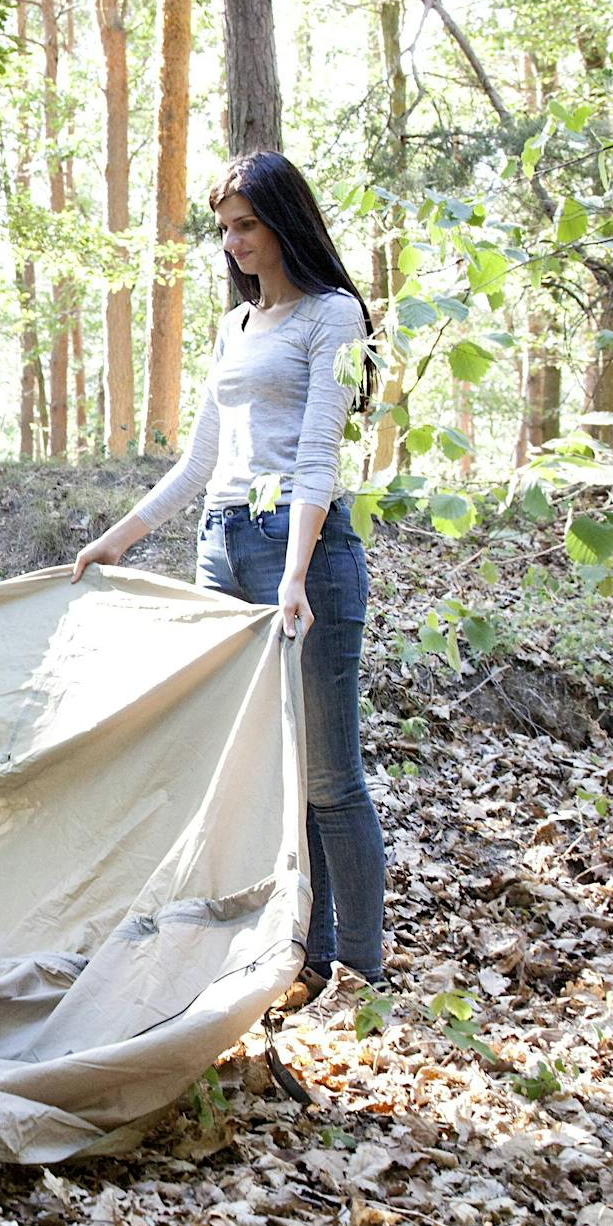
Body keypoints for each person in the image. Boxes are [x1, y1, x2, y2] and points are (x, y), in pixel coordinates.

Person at [72, 150, 387, 996]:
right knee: (257, 768)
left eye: (248, 225)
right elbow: (201, 460)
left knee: (327, 773)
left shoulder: (333, 316)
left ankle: (357, 969)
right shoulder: (236, 327)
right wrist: (121, 538)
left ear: (286, 221)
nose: (236, 243)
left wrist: (293, 573)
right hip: (221, 543)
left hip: (305, 550)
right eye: (226, 230)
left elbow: (318, 455)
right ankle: (299, 956)